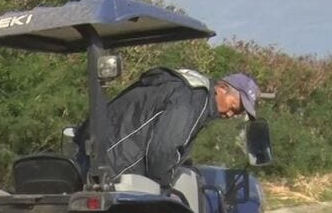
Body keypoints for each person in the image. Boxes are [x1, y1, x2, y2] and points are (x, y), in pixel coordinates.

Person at [79, 69, 260, 186]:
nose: (231, 114)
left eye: (238, 113)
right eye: (235, 107)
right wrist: (164, 187)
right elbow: (164, 149)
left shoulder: (178, 88)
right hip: (116, 170)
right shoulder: (194, 98)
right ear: (221, 88)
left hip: (89, 162)